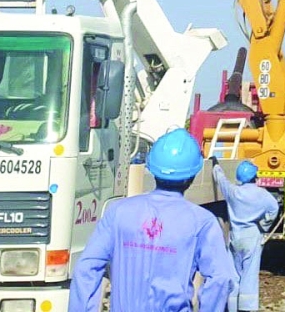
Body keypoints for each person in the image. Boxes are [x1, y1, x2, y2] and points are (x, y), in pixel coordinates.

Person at [69, 128, 234, 312]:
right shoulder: (202, 222)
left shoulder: (118, 212)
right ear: (192, 176)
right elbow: (220, 278)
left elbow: (86, 269)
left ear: (151, 168)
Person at [211, 155, 280, 312]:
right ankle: (247, 308)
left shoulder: (233, 192)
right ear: (255, 177)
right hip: (252, 236)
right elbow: (274, 208)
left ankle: (232, 306)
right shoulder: (262, 194)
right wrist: (264, 224)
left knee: (234, 274)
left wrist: (216, 165)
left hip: (235, 236)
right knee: (249, 273)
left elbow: (221, 181)